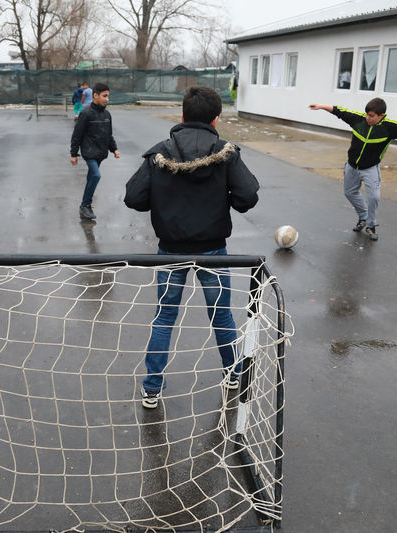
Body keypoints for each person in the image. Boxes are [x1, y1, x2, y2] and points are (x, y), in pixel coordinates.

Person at [124, 86, 260, 409]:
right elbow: (248, 197)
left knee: (165, 316)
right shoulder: (225, 153)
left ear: (182, 116)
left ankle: (152, 388)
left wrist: (165, 198)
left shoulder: (160, 153)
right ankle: (233, 373)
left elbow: (133, 197)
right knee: (221, 315)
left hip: (170, 250)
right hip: (212, 250)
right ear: (216, 119)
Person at [309, 98, 397, 241]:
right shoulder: (358, 119)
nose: (367, 118)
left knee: (374, 197)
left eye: (371, 116)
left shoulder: (390, 127)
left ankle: (370, 225)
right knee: (349, 192)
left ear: (381, 116)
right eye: (366, 115)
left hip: (370, 169)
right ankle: (363, 216)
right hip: (351, 166)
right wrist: (320, 106)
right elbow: (339, 110)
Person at [70, 82, 120, 220]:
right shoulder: (86, 113)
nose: (107, 99)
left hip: (100, 153)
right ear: (95, 96)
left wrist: (114, 149)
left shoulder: (107, 115)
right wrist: (73, 154)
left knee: (91, 177)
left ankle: (85, 206)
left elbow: (109, 135)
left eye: (108, 96)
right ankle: (85, 205)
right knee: (96, 176)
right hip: (89, 152)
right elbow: (77, 135)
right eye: (104, 96)